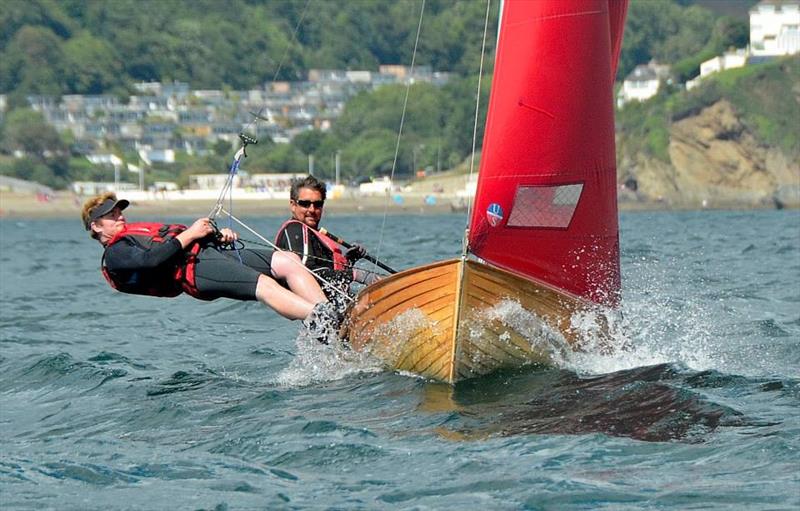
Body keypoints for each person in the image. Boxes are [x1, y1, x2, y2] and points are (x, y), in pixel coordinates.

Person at [81, 192, 338, 329]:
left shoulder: (132, 235)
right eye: (111, 216)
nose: (119, 217)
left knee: (288, 261)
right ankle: (324, 320)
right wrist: (192, 233)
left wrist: (216, 237)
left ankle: (332, 316)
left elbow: (179, 242)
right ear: (96, 226)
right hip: (195, 271)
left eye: (118, 212)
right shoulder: (115, 254)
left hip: (211, 253)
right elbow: (151, 260)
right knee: (266, 285)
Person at [274, 176, 381, 301]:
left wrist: (348, 261)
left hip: (334, 309)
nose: (312, 210)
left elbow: (329, 277)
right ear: (293, 205)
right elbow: (307, 274)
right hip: (324, 312)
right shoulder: (295, 230)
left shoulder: (311, 233)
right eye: (305, 204)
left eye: (318, 204)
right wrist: (358, 275)